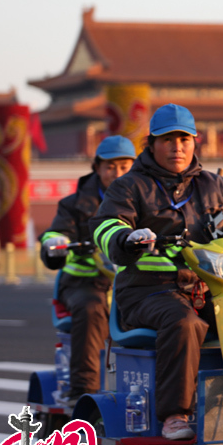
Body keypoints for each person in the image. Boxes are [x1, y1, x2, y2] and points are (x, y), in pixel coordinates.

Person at [90, 104, 223, 440]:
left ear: (194, 141)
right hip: (145, 291)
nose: (177, 147)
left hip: (206, 290)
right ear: (151, 143)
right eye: (168, 139)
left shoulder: (216, 186)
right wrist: (127, 237)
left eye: (184, 138)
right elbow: (106, 226)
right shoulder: (128, 187)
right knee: (185, 322)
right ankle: (175, 414)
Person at [40, 135, 136, 406]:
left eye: (125, 166)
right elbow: (55, 233)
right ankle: (83, 393)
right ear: (97, 168)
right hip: (83, 283)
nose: (117, 173)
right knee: (92, 309)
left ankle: (155, 400)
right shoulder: (73, 204)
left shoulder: (145, 198)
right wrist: (55, 242)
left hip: (131, 281)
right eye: (110, 166)